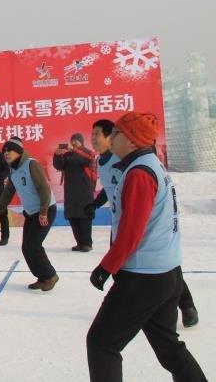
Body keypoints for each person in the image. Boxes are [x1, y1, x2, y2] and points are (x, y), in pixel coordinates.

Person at [86, 112, 206, 381]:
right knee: (169, 348)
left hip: (144, 277)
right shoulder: (147, 165)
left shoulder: (140, 173)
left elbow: (132, 231)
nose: (109, 138)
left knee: (102, 344)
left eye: (115, 133)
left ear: (130, 140)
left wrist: (106, 266)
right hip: (166, 273)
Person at [0, 137, 59, 291]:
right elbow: (8, 192)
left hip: (45, 210)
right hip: (31, 213)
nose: (6, 154)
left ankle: (50, 275)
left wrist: (43, 212)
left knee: (34, 245)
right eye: (4, 151)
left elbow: (44, 189)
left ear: (19, 152)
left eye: (10, 151)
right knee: (26, 247)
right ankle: (42, 277)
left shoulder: (31, 164)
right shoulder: (13, 170)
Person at [53, 132, 96, 251]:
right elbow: (59, 166)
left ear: (81, 142)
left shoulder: (87, 153)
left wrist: (75, 150)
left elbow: (88, 161)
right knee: (73, 217)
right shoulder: (68, 154)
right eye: (72, 140)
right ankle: (79, 242)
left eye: (76, 140)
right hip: (70, 192)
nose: (73, 143)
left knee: (84, 217)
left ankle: (87, 243)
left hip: (84, 192)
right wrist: (57, 155)